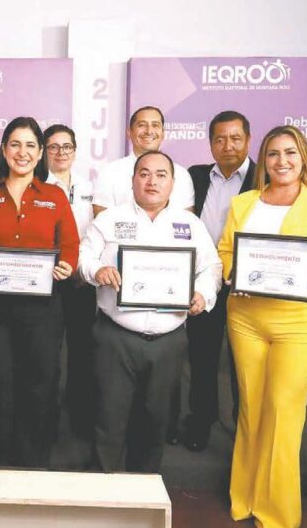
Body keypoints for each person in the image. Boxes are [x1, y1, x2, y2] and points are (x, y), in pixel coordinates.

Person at [218, 125, 307, 528]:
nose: (282, 161)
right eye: (273, 154)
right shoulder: (243, 203)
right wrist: (233, 272)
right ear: (264, 160)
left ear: (304, 157)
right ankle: (246, 498)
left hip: (298, 324)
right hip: (246, 317)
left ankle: (277, 513)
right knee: (252, 408)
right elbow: (225, 251)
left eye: (290, 153)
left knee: (283, 412)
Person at [79, 151, 222, 472]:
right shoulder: (109, 219)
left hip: (168, 341)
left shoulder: (190, 225)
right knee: (109, 418)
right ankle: (104, 492)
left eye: (161, 174)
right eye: (144, 173)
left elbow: (212, 267)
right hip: (115, 338)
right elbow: (83, 256)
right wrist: (97, 270)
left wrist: (203, 294)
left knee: (155, 421)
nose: (152, 181)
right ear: (133, 181)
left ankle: (143, 493)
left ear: (173, 183)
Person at [0, 116, 79, 467]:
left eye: (30, 145)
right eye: (15, 144)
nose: (22, 152)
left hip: (42, 308)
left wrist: (67, 265)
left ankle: (32, 459)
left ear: (40, 152)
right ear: (4, 149)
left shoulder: (54, 196)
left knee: (39, 381)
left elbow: (70, 244)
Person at [181, 111, 257, 452]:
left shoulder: (264, 178)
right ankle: (201, 419)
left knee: (245, 360)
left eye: (236, 138)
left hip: (247, 283)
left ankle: (245, 426)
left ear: (249, 140)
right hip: (203, 280)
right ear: (210, 143)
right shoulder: (195, 176)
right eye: (220, 139)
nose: (228, 146)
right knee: (202, 355)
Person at [42, 123, 97, 439]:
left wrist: (82, 268)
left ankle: (79, 413)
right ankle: (46, 414)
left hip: (82, 280)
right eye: (53, 147)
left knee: (82, 349)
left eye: (67, 146)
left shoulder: (91, 186)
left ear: (75, 151)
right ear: (44, 152)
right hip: (49, 279)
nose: (61, 152)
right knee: (47, 351)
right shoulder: (37, 186)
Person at [92, 106, 195, 216]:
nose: (149, 131)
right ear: (129, 132)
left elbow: (187, 223)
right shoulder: (110, 172)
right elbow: (102, 221)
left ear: (163, 133)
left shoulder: (181, 174)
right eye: (141, 125)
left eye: (155, 125)